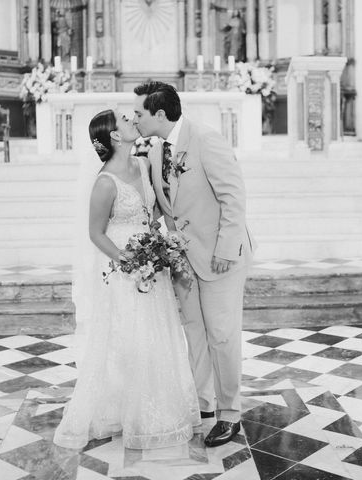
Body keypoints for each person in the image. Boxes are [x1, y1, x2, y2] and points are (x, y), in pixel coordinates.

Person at [53, 109, 200, 450]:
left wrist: (163, 242)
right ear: (115, 136)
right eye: (124, 119)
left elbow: (153, 213)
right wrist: (128, 259)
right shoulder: (104, 182)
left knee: (157, 333)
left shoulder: (143, 164)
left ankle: (159, 408)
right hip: (123, 271)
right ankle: (124, 409)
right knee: (128, 337)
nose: (132, 119)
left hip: (152, 265)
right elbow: (95, 233)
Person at [132, 81, 254, 447]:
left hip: (220, 257)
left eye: (139, 113)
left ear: (159, 114)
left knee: (222, 334)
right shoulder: (154, 151)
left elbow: (233, 197)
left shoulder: (206, 139)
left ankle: (229, 413)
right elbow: (164, 204)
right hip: (182, 260)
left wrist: (225, 249)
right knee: (195, 334)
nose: (134, 119)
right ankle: (205, 404)